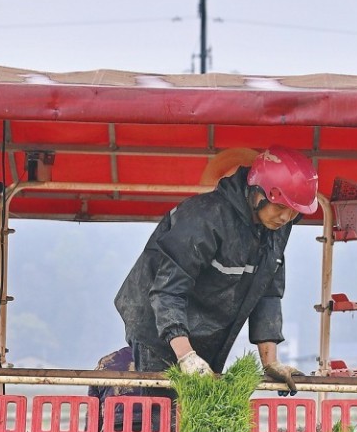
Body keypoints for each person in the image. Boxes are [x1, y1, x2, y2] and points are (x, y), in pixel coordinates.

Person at [113, 147, 318, 394]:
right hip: (156, 327)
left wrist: (271, 362)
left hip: (208, 333)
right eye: (280, 207)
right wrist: (187, 356)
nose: (286, 217)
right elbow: (167, 291)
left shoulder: (276, 228)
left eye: (294, 211)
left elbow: (267, 294)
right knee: (162, 413)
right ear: (257, 194)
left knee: (198, 409)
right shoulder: (205, 217)